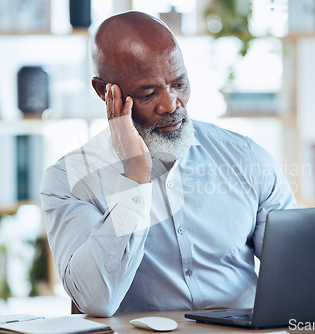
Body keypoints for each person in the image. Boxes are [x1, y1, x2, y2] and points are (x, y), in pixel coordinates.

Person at [40, 11, 296, 317]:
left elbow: (300, 272)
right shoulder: (68, 181)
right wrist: (134, 178)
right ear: (103, 91)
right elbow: (96, 301)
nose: (171, 104)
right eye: (149, 94)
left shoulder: (247, 158)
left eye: (179, 84)